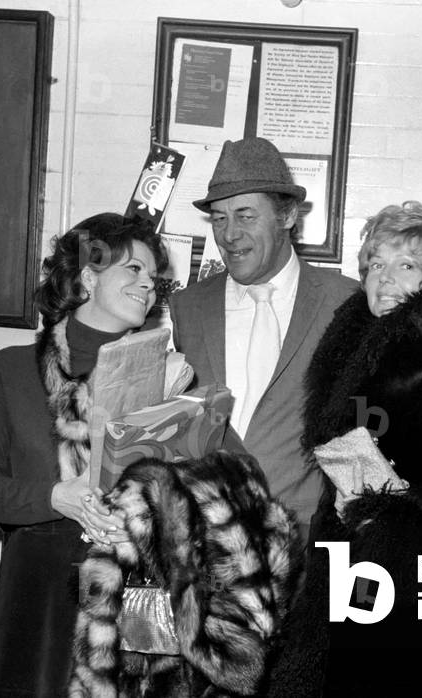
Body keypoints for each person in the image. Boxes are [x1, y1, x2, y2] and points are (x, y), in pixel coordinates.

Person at [269, 201, 422, 697]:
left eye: (406, 265)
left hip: (420, 596)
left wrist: (390, 516)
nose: (383, 279)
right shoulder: (355, 363)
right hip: (346, 578)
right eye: (375, 264)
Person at [0, 213, 175, 697]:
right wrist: (57, 496)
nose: (148, 285)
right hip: (39, 589)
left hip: (139, 592)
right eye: (134, 270)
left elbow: (205, 487)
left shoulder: (169, 378)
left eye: (154, 277)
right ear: (89, 276)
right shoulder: (10, 370)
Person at [170, 137, 358, 537]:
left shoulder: (345, 303)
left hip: (305, 542)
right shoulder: (187, 307)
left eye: (245, 216)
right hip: (208, 542)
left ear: (287, 215)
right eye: (219, 219)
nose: (229, 235)